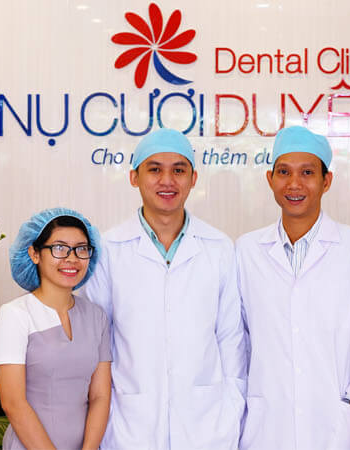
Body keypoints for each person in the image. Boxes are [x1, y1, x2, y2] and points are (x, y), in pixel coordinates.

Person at [78, 129, 246, 448]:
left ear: (193, 179)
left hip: (207, 427)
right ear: (134, 177)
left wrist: (231, 412)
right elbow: (97, 343)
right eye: (154, 169)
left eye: (178, 170)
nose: (167, 180)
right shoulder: (109, 249)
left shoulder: (219, 247)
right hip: (128, 426)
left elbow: (231, 340)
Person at [235, 126, 350, 449]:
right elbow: (238, 340)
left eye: (307, 172)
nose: (294, 184)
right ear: (270, 179)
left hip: (338, 422)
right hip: (267, 423)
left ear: (327, 181)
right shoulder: (246, 250)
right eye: (284, 172)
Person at [0, 208, 112, 450]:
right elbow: (13, 404)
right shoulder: (15, 315)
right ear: (34, 254)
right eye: (59, 248)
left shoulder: (96, 316)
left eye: (81, 249)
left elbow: (100, 396)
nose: (72, 258)